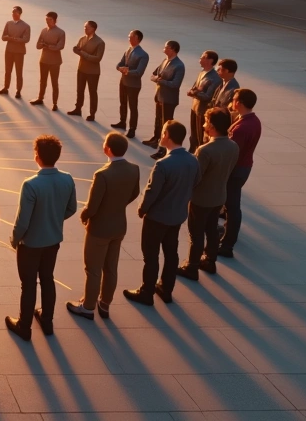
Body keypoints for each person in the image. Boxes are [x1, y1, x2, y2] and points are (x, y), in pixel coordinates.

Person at [6, 135, 77, 341]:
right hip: (53, 240)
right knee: (48, 279)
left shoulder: (31, 184)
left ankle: (24, 326)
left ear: (37, 156)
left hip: (30, 244)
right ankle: (47, 321)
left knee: (28, 284)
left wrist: (14, 239)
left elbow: (23, 221)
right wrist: (53, 218)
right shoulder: (67, 178)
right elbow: (71, 208)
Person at [124, 121, 200, 306]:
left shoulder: (163, 164)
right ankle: (166, 289)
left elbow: (152, 192)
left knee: (150, 256)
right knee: (171, 252)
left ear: (167, 135)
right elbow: (196, 182)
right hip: (177, 215)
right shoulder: (193, 160)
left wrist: (142, 209)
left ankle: (146, 292)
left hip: (157, 217)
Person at [67, 133, 139, 321]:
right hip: (119, 225)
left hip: (99, 228)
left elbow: (92, 206)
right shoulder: (134, 169)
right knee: (111, 267)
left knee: (93, 269)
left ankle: (88, 306)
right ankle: (105, 303)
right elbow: (134, 193)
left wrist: (84, 215)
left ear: (107, 149)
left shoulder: (102, 174)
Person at [178, 108, 238, 280]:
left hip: (201, 198)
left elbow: (196, 177)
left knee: (196, 233)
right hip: (219, 195)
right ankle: (210, 260)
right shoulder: (233, 146)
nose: (203, 124)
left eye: (205, 121)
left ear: (211, 126)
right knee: (212, 230)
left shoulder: (205, 150)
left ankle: (192, 266)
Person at [220, 89, 261, 258]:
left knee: (232, 206)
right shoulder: (254, 121)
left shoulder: (240, 128)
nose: (232, 101)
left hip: (236, 170)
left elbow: (232, 153)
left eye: (235, 99)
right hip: (244, 167)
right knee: (232, 203)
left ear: (240, 102)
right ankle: (229, 232)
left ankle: (228, 243)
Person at [143, 41, 185, 160]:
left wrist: (160, 81)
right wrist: (157, 79)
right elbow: (153, 75)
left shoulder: (179, 65)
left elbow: (175, 84)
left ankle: (163, 148)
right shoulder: (165, 60)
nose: (164, 49)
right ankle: (155, 138)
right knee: (158, 120)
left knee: (166, 124)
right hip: (160, 96)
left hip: (169, 99)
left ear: (172, 49)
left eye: (166, 47)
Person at [184, 51, 221, 153]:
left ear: (210, 61)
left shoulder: (215, 78)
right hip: (195, 107)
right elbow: (195, 87)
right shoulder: (201, 72)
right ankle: (192, 150)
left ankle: (199, 154)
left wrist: (194, 93)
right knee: (193, 134)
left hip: (202, 110)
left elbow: (208, 96)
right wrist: (193, 91)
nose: (200, 59)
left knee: (201, 134)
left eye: (202, 57)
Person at [69, 20, 105, 121]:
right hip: (81, 68)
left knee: (92, 92)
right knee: (80, 90)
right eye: (84, 27)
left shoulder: (100, 42)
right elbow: (79, 49)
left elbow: (97, 58)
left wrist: (83, 54)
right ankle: (78, 108)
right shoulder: (82, 39)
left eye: (87, 27)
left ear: (93, 29)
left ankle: (92, 113)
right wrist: (76, 50)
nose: (85, 29)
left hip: (93, 72)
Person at [30, 11, 65, 110]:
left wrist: (47, 46)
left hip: (55, 61)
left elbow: (60, 46)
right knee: (42, 80)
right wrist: (46, 45)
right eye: (46, 20)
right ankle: (40, 98)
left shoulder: (61, 33)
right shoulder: (44, 30)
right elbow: (38, 45)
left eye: (49, 20)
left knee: (54, 82)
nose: (47, 22)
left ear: (55, 20)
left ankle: (55, 103)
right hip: (44, 59)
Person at [0, 6, 30, 98]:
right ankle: (5, 87)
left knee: (18, 71)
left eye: (15, 13)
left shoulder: (26, 26)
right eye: (12, 13)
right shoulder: (8, 23)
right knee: (7, 70)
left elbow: (26, 39)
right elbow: (3, 37)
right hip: (9, 50)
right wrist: (10, 38)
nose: (13, 14)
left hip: (19, 52)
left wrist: (13, 39)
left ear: (19, 14)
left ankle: (18, 90)